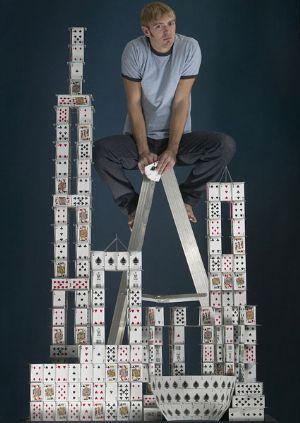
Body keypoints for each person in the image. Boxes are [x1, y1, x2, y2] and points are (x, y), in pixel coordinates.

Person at [93, 1, 236, 230]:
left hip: (177, 140)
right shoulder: (134, 50)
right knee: (100, 152)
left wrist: (172, 148)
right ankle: (132, 206)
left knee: (224, 145)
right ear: (146, 31)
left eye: (171, 23)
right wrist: (142, 150)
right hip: (140, 140)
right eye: (159, 26)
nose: (168, 31)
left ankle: (187, 199)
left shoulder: (189, 48)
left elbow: (181, 102)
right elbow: (134, 103)